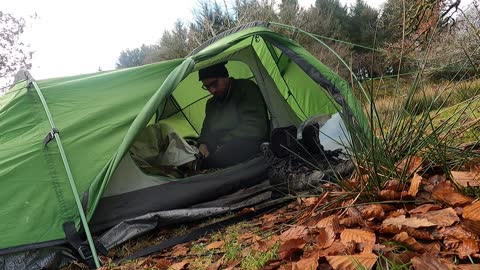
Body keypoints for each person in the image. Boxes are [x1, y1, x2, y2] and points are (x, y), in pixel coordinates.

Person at [197, 62, 269, 168]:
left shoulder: (246, 88)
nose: (212, 91)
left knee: (219, 158)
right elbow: (207, 130)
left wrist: (223, 143)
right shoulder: (211, 104)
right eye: (207, 87)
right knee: (195, 155)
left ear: (225, 76)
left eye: (214, 84)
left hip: (246, 142)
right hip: (220, 147)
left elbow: (255, 126)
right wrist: (204, 144)